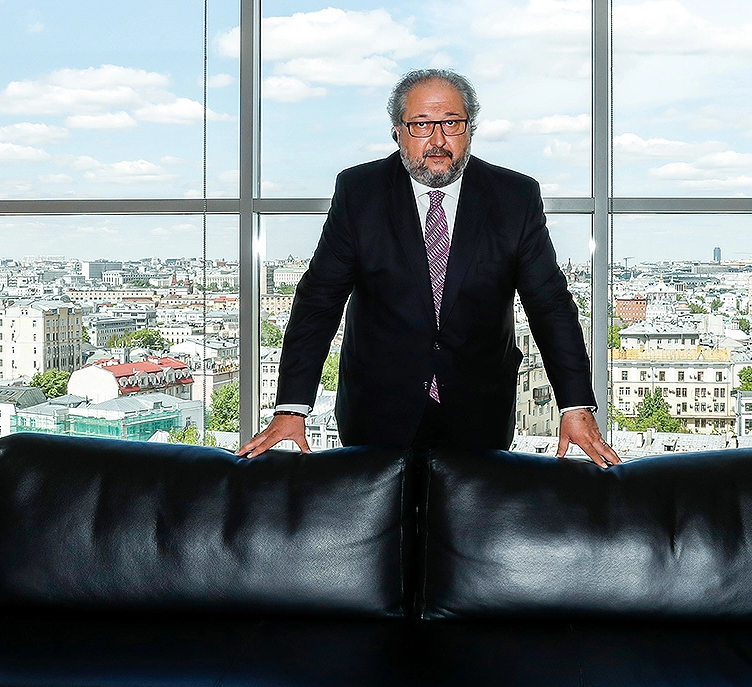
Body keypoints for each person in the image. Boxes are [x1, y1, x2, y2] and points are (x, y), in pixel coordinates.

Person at [238, 69, 620, 467]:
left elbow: (550, 305)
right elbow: (319, 301)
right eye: (421, 124)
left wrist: (575, 405)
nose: (437, 140)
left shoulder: (514, 196)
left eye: (451, 123)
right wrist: (292, 407)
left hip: (481, 412)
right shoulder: (360, 192)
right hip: (376, 411)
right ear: (397, 131)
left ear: (470, 129)